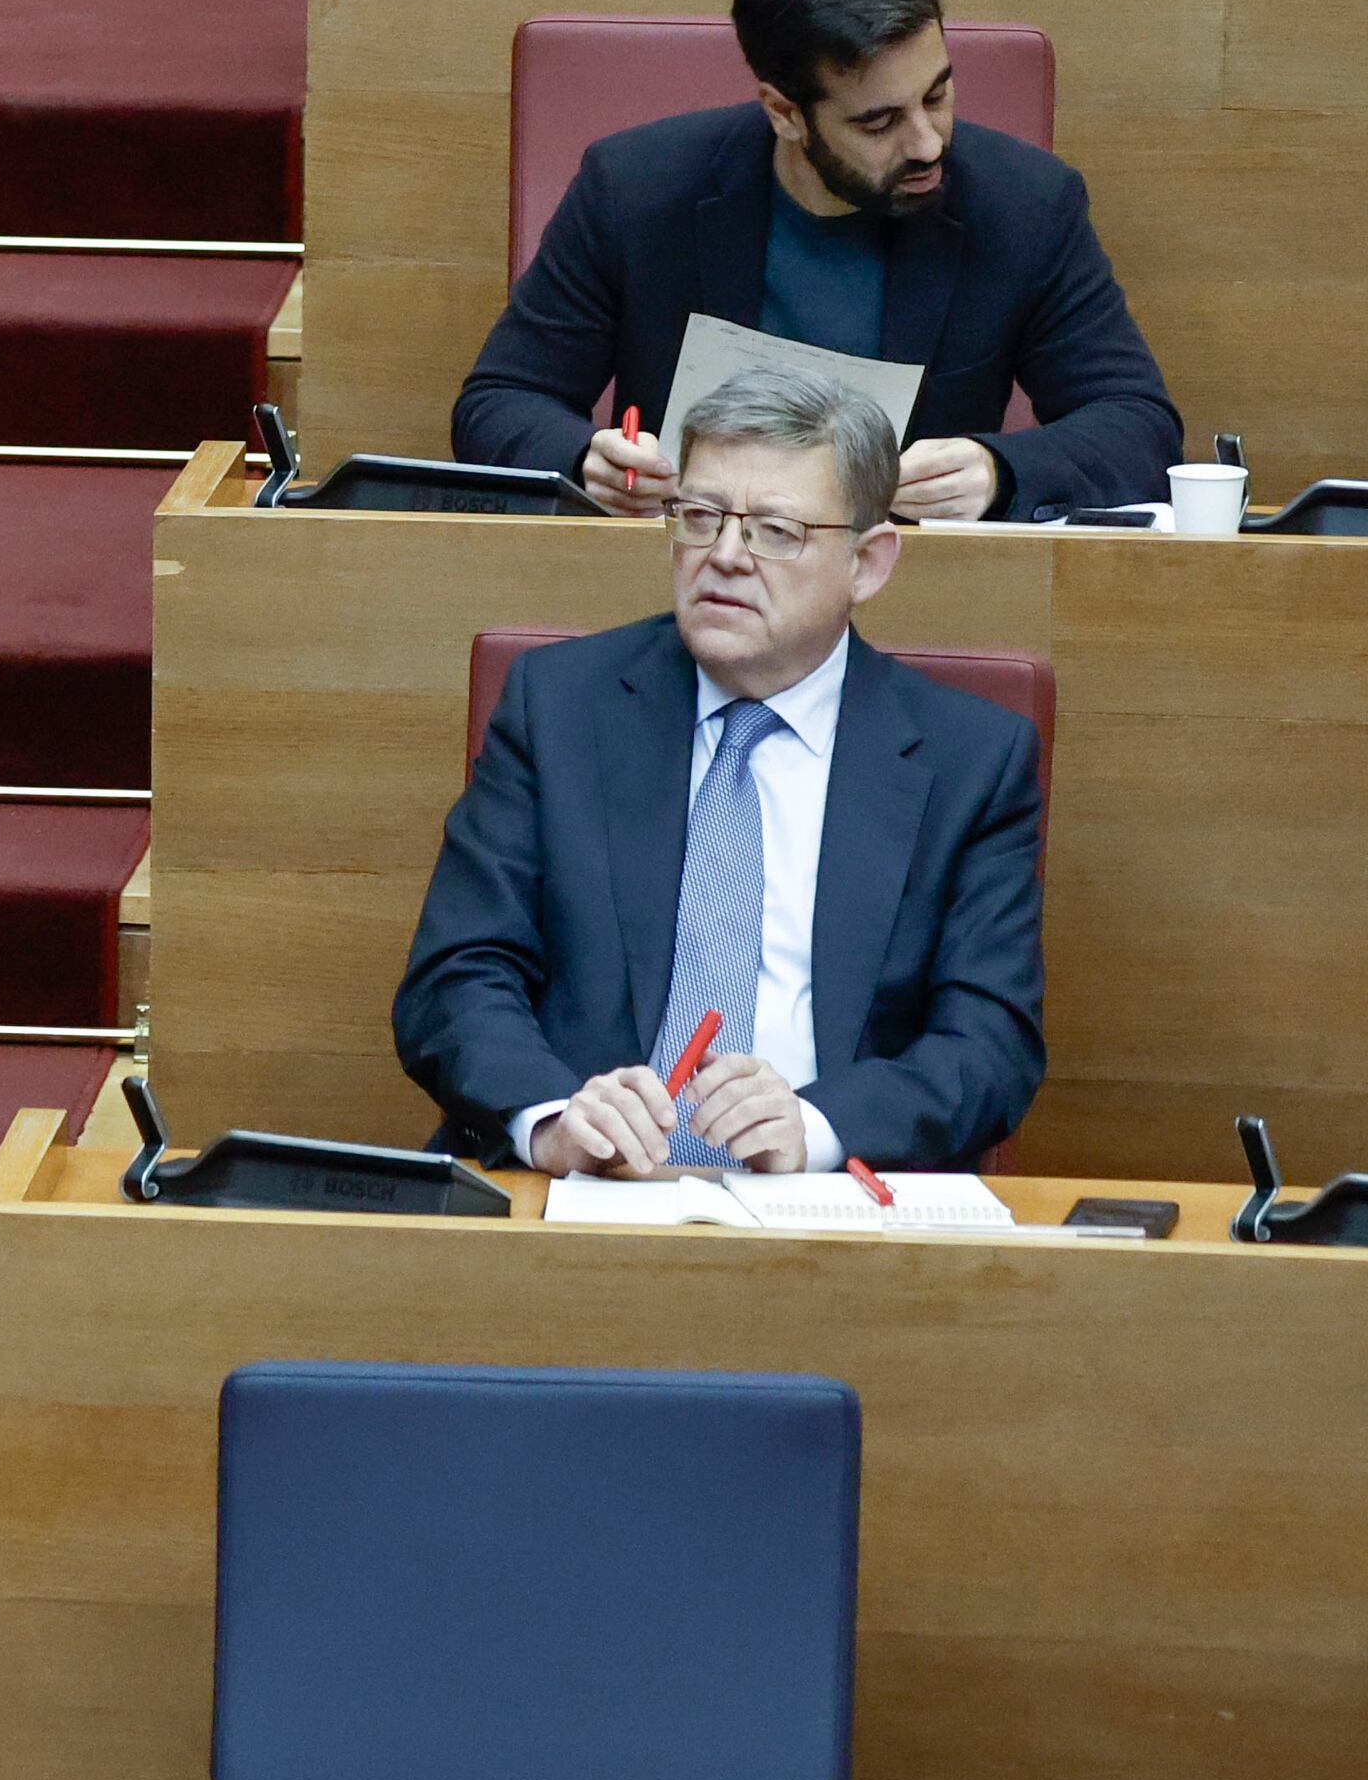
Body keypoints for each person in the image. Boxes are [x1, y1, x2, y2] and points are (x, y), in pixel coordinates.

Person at [396, 367, 1046, 1177]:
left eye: (776, 530)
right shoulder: (558, 707)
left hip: (828, 1212)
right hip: (583, 1206)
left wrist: (817, 1126)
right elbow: (456, 976)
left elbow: (990, 1043)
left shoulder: (971, 760)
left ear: (868, 563)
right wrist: (556, 1117)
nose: (726, 556)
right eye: (700, 517)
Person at [454, 0, 1177, 521]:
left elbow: (1138, 425)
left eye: (938, 95)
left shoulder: (1025, 204)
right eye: (879, 122)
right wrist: (586, 459)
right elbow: (500, 401)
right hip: (686, 572)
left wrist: (998, 470)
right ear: (785, 113)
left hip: (904, 588)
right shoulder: (638, 188)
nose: (927, 142)